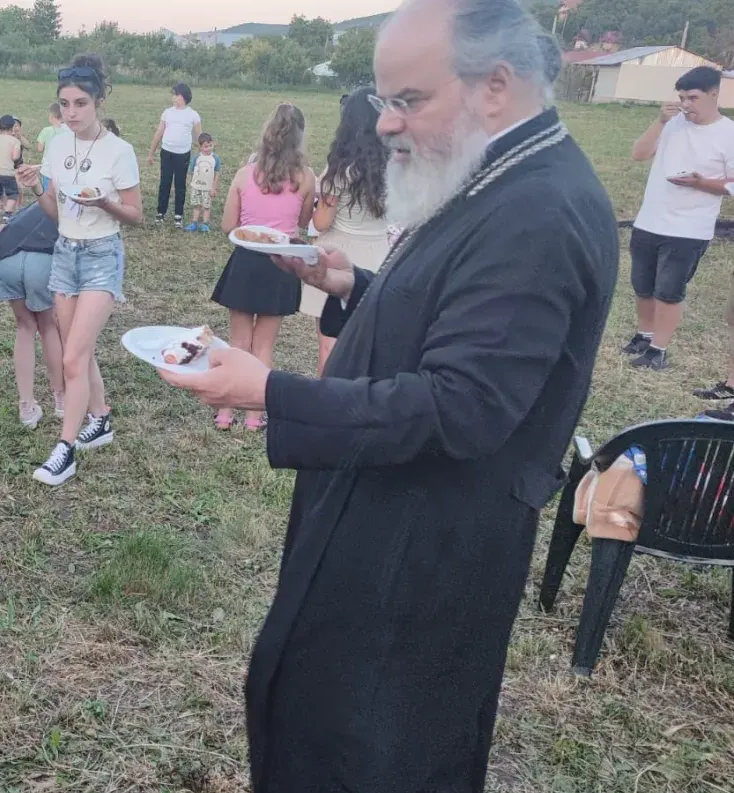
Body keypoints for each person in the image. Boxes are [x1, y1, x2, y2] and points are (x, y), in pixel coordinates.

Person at [161, 1, 616, 788]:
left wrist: (270, 389)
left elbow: (460, 404)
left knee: (369, 746)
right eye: (383, 100)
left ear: (496, 85)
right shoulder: (497, 171)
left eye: (409, 100)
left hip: (422, 556)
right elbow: (458, 323)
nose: (385, 124)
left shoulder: (539, 210)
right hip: (395, 521)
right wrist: (353, 285)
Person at [15, 54, 143, 486]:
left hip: (102, 255)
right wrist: (36, 187)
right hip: (65, 253)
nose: (71, 113)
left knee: (72, 356)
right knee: (77, 349)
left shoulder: (119, 151)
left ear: (99, 101)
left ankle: (64, 449)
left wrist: (105, 203)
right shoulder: (56, 145)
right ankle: (100, 418)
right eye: (65, 104)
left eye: (80, 104)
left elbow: (136, 215)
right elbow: (56, 213)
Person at [209, 104, 313, 431]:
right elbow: (303, 222)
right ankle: (255, 416)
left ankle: (225, 412)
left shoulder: (244, 174)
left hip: (245, 261)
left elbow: (228, 225)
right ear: (299, 137)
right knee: (264, 346)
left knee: (238, 343)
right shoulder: (307, 177)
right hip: (281, 264)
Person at [623, 65, 734, 371]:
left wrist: (701, 183)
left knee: (668, 291)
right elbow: (639, 154)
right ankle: (643, 335)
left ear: (714, 94)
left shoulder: (728, 133)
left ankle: (658, 350)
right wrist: (660, 121)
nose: (686, 105)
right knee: (642, 284)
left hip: (688, 227)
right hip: (650, 220)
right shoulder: (672, 124)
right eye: (682, 98)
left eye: (693, 98)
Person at [307, 88, 391, 376]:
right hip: (381, 255)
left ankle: (325, 401)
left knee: (329, 345)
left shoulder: (340, 170)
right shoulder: (397, 166)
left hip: (338, 256)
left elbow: (321, 222)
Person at [0, 202, 65, 427]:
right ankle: (61, 399)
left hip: (8, 260)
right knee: (48, 326)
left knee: (24, 326)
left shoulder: (27, 209)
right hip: (42, 260)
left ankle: (26, 407)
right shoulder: (66, 209)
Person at [147, 82, 201, 227]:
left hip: (182, 155)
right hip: (167, 153)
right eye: (173, 95)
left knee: (180, 184)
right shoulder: (167, 113)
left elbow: (199, 137)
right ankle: (161, 212)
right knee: (165, 183)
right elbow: (159, 132)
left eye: (177, 95)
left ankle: (178, 215)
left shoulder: (193, 115)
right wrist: (151, 153)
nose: (174, 98)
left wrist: (202, 156)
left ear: (185, 97)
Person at [0, 114, 23, 221]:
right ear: (12, 127)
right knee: (13, 193)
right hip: (7, 172)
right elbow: (15, 157)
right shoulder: (15, 141)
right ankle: (7, 214)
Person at [185, 132, 221, 232]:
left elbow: (217, 173)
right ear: (200, 147)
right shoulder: (197, 157)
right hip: (196, 186)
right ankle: (194, 223)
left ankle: (205, 224)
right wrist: (191, 182)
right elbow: (191, 171)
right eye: (206, 146)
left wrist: (214, 187)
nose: (208, 148)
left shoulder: (215, 158)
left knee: (206, 206)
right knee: (196, 205)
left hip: (208, 188)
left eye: (210, 145)